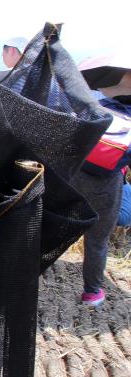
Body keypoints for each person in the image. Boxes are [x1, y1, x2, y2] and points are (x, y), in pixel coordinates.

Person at [74, 56, 131, 306]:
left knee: (52, 227)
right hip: (107, 185)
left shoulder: (94, 106)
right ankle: (92, 293)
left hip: (73, 176)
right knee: (97, 240)